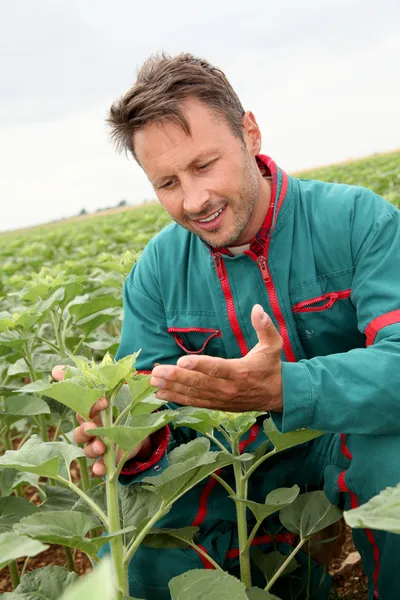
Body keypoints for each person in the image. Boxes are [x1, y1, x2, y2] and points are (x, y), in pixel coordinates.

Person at [54, 53, 400, 599]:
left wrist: (287, 387)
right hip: (236, 461)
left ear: (250, 133)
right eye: (167, 182)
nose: (194, 200)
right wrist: (131, 439)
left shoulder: (359, 221)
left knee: (395, 464)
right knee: (140, 548)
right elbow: (153, 412)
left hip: (346, 437)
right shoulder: (156, 273)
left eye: (204, 165)